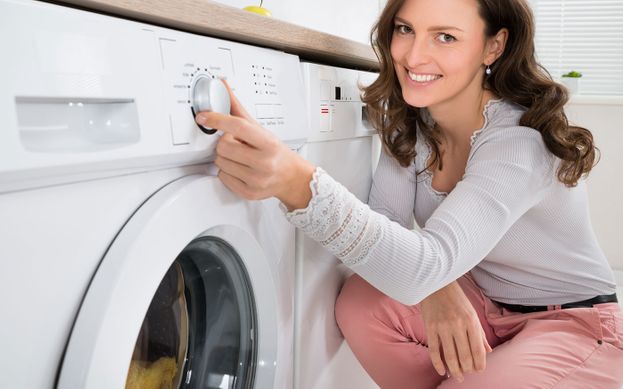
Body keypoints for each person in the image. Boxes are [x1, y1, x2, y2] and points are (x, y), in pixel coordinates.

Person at [195, 0, 623, 387]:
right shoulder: (413, 127)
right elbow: (390, 223)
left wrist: (297, 184)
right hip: (486, 304)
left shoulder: (518, 142)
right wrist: (438, 285)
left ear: (493, 47)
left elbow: (418, 262)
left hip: (575, 323)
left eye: (446, 37)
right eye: (405, 29)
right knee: (363, 304)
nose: (414, 56)